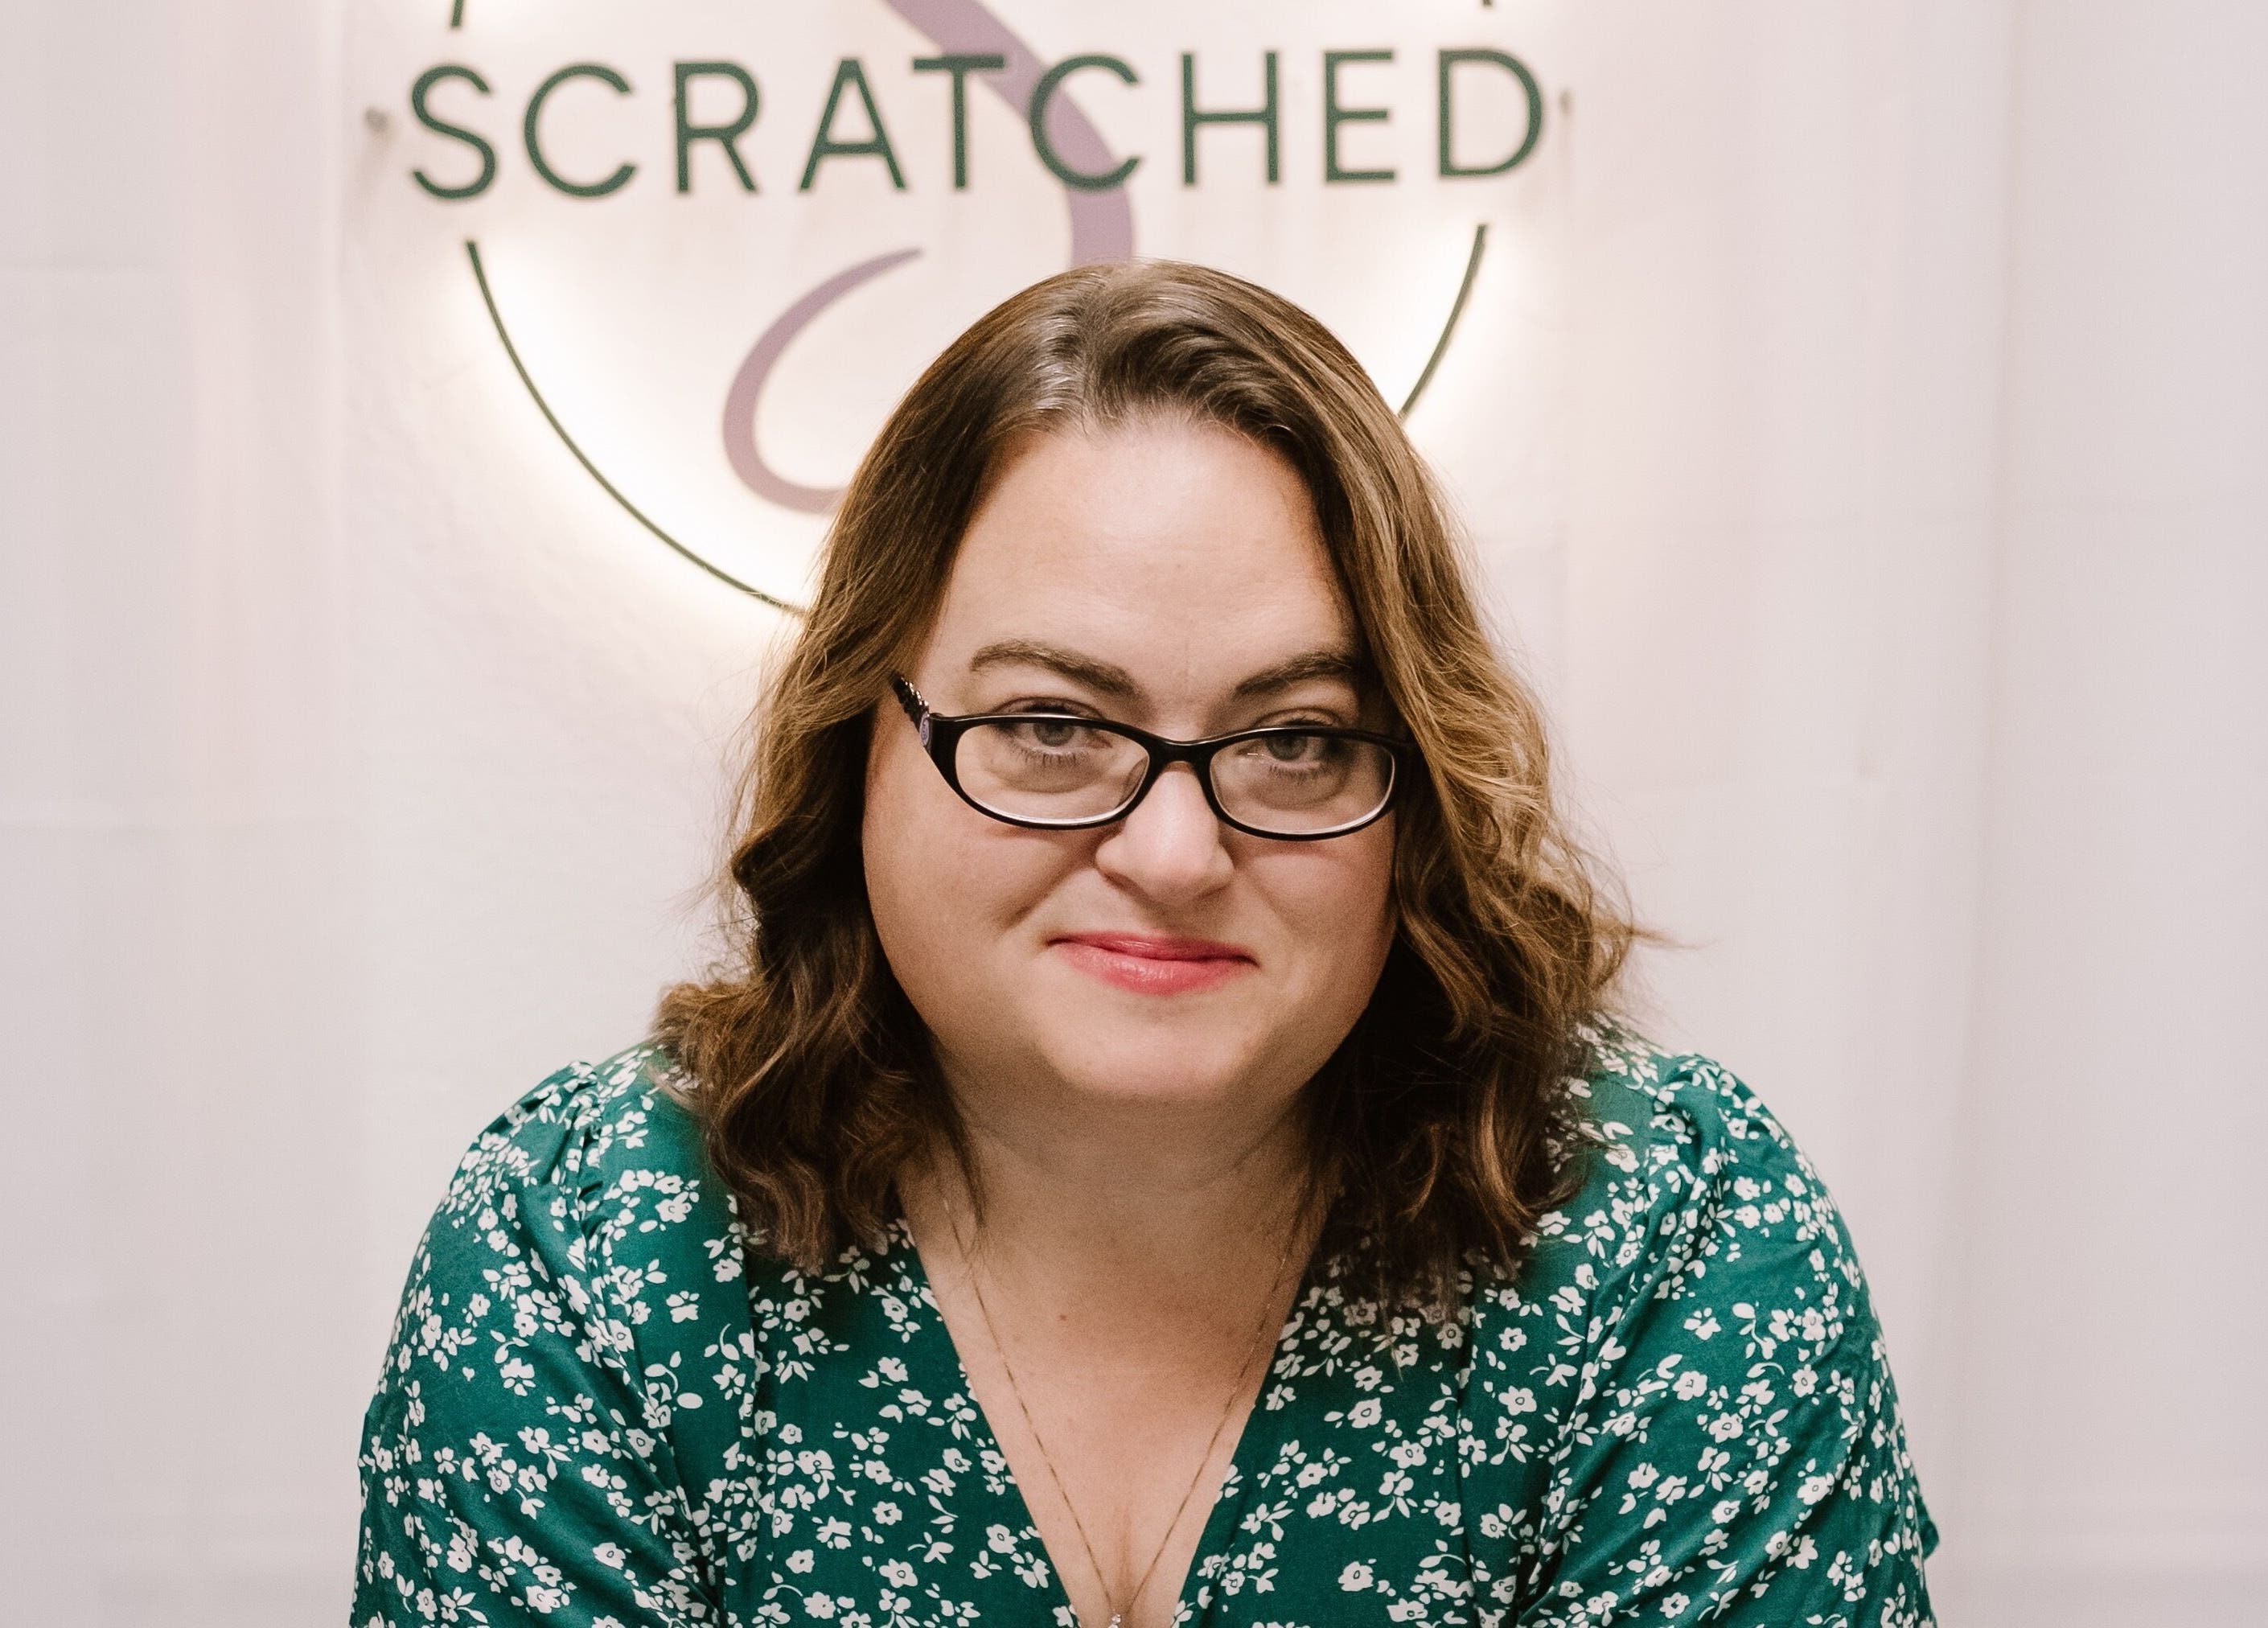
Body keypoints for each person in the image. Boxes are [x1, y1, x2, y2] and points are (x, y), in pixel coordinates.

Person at [354, 260, 1936, 1627]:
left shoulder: (1664, 1235)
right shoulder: (593, 1249)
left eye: (1299, 741)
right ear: (862, 740)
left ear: (1417, 788)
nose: (1175, 853)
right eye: (1052, 725)